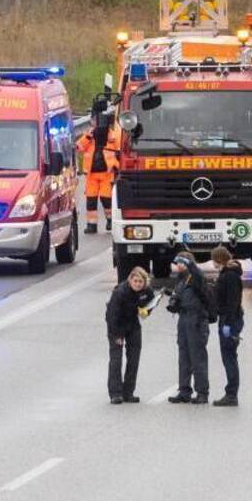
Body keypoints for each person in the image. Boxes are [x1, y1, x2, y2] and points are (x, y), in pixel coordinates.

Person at [167, 252, 215, 405]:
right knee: (184, 357)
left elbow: (198, 276)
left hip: (197, 320)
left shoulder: (196, 277)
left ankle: (202, 392)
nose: (178, 266)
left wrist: (190, 264)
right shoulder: (181, 279)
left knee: (197, 358)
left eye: (182, 263)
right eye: (177, 263)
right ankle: (184, 391)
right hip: (184, 318)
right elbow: (179, 296)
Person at [105, 266, 153, 404]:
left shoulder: (146, 291)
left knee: (133, 360)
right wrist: (116, 336)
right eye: (135, 281)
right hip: (117, 325)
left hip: (133, 325)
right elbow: (111, 316)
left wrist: (146, 311)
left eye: (140, 282)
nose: (138, 284)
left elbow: (151, 302)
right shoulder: (120, 292)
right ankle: (115, 393)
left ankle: (128, 392)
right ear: (130, 280)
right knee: (116, 360)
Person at [76, 108, 121, 234]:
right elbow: (78, 147)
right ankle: (92, 225)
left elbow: (120, 153)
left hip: (107, 173)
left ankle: (110, 221)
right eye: (94, 120)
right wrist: (88, 137)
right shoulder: (89, 135)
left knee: (107, 199)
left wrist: (116, 166)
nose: (95, 123)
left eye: (97, 120)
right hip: (91, 174)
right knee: (91, 200)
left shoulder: (112, 135)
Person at [211, 246, 244, 406]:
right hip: (229, 319)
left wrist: (229, 325)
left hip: (230, 320)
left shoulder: (229, 276)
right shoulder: (228, 274)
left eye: (213, 260)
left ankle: (231, 395)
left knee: (229, 357)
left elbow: (232, 302)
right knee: (229, 356)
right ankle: (231, 393)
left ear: (218, 259)